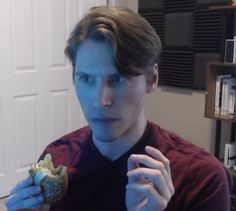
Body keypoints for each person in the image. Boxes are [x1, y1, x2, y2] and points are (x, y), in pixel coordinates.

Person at [6, 6, 230, 211]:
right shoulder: (57, 157)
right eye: (86, 78)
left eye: (118, 79)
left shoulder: (201, 178)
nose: (101, 101)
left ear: (151, 79)